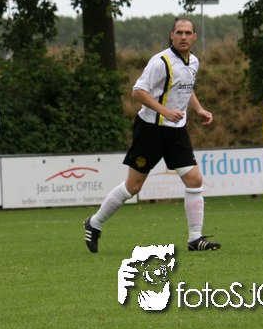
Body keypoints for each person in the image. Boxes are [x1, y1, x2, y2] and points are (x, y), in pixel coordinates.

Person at [83, 18, 221, 254]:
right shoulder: (160, 62)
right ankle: (94, 223)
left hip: (177, 131)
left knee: (194, 180)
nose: (184, 37)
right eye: (179, 32)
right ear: (172, 35)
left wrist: (198, 109)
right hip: (151, 130)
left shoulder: (194, 61)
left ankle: (195, 238)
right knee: (133, 186)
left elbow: (185, 87)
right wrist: (165, 111)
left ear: (194, 37)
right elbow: (138, 91)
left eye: (188, 33)